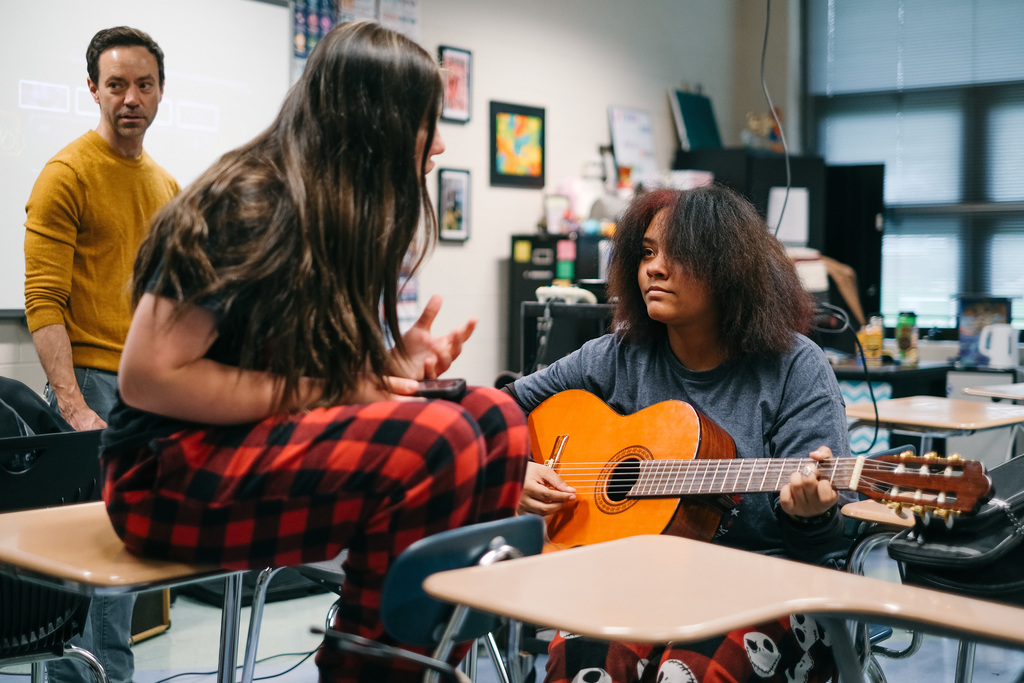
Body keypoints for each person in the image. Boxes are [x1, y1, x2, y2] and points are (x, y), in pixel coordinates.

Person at [100, 21, 529, 683]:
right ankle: (366, 667)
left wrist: (390, 366)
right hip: (161, 477)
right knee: (439, 439)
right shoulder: (246, 202)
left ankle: (426, 662)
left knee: (497, 420)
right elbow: (149, 377)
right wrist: (338, 386)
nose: (439, 144)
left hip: (247, 445)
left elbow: (306, 374)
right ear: (374, 122)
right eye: (426, 122)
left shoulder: (340, 211)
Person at [508, 185, 852, 683]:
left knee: (683, 673)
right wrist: (515, 468)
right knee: (583, 662)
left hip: (769, 582)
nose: (654, 267)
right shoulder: (616, 355)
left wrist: (808, 515)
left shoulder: (796, 366)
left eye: (678, 253)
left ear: (729, 267)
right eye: (646, 252)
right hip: (638, 576)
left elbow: (822, 541)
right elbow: (499, 409)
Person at [23, 26, 178, 683]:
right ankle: (98, 673)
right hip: (94, 382)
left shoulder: (167, 186)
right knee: (104, 547)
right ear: (93, 89)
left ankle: (101, 670)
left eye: (144, 84)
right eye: (116, 84)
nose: (131, 98)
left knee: (131, 545)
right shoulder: (67, 173)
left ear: (160, 91)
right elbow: (43, 301)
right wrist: (74, 404)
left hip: (151, 390)